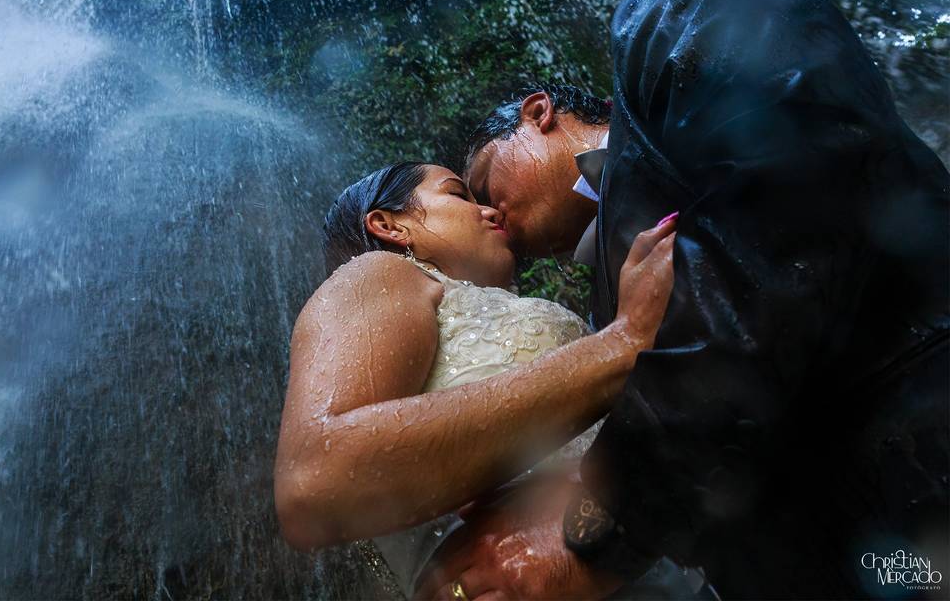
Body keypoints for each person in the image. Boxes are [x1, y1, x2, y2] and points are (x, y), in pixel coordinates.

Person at [419, 0, 949, 600]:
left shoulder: (668, 25)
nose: (488, 213)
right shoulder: (602, 311)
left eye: (482, 183)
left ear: (538, 114)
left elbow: (794, 201)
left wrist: (605, 524)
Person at [273, 161, 677, 598]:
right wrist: (623, 343)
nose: (489, 211)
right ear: (389, 225)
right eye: (459, 195)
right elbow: (315, 478)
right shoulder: (377, 273)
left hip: (620, 553)